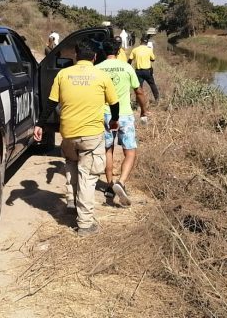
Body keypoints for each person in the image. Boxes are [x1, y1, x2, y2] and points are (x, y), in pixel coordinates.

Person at [34, 40, 119, 237]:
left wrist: (39, 124)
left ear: (76, 56)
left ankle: (71, 201)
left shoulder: (63, 74)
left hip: (68, 134)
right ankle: (86, 224)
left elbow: (50, 103)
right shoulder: (101, 76)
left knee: (71, 163)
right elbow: (115, 104)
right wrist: (114, 121)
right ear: (95, 57)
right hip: (91, 135)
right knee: (88, 177)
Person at [97, 40, 147, 207]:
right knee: (130, 152)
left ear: (103, 51)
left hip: (104, 114)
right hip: (124, 114)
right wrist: (144, 110)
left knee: (108, 150)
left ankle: (110, 184)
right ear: (118, 50)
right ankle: (122, 181)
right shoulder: (127, 67)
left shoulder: (97, 69)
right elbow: (139, 91)